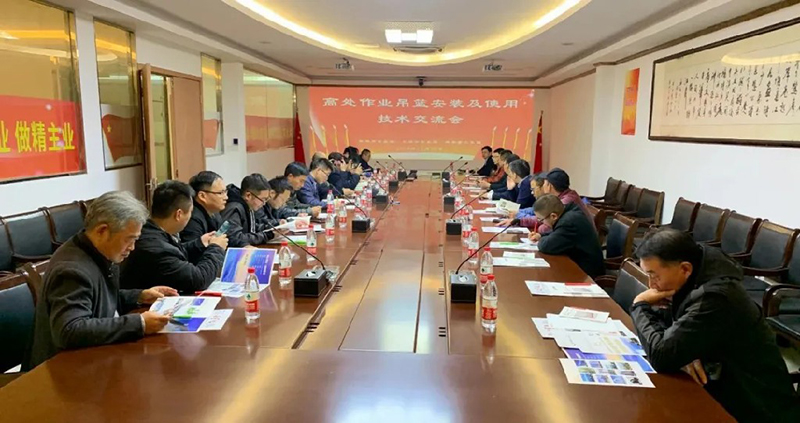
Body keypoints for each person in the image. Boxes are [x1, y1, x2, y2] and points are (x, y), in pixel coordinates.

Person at [631, 229, 800, 423]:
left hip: (756, 408)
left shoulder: (716, 297)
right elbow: (674, 335)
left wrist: (639, 305)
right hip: (722, 387)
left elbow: (661, 356)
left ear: (685, 269)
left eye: (654, 276)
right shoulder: (698, 270)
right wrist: (686, 349)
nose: (651, 285)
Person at [24, 192, 178, 370]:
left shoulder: (96, 252)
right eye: (129, 239)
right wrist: (140, 323)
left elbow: (97, 300)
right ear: (102, 231)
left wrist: (139, 296)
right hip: (63, 372)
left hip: (94, 360)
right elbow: (70, 330)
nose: (132, 247)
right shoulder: (71, 271)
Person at [120, 180, 227, 293]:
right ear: (178, 214)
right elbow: (198, 279)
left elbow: (175, 253)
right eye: (190, 212)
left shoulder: (150, 229)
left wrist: (199, 243)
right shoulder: (155, 247)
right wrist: (216, 248)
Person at [529, 194, 604, 278]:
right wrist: (540, 235)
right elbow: (557, 233)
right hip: (577, 264)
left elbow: (546, 246)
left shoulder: (568, 222)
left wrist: (540, 240)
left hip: (586, 272)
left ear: (553, 216)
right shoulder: (568, 212)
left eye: (541, 220)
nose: (541, 223)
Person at [518, 167, 593, 232]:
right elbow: (543, 217)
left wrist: (539, 230)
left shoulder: (565, 202)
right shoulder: (567, 195)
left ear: (549, 186)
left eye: (544, 183)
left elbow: (547, 226)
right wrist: (520, 221)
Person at [221, 173, 276, 246]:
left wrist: (271, 228)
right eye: (263, 199)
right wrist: (265, 236)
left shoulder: (248, 205)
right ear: (248, 195)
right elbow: (234, 238)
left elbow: (251, 228)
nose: (264, 204)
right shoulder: (234, 208)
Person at [180, 171, 227, 244]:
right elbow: (194, 250)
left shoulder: (214, 212)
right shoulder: (192, 218)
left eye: (225, 192)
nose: (226, 197)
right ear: (202, 196)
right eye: (220, 193)